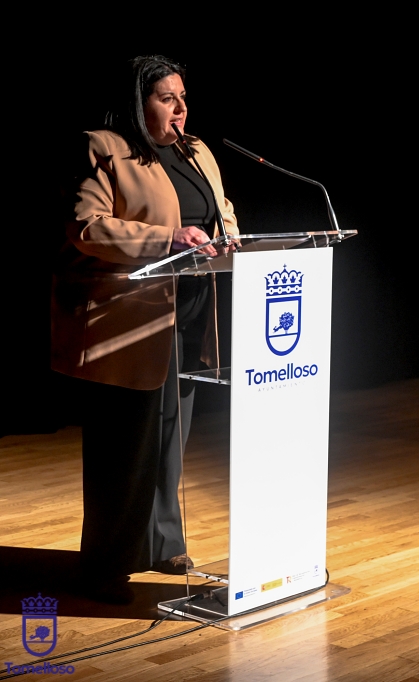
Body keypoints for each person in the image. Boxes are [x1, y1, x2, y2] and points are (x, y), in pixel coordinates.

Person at [51, 55, 238, 603]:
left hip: (190, 310)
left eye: (183, 96)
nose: (181, 108)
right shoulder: (103, 148)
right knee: (123, 449)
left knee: (170, 442)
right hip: (127, 319)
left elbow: (218, 207)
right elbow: (86, 226)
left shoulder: (196, 151)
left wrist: (228, 234)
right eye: (167, 98)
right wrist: (167, 239)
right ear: (139, 102)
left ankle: (161, 543)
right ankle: (106, 564)